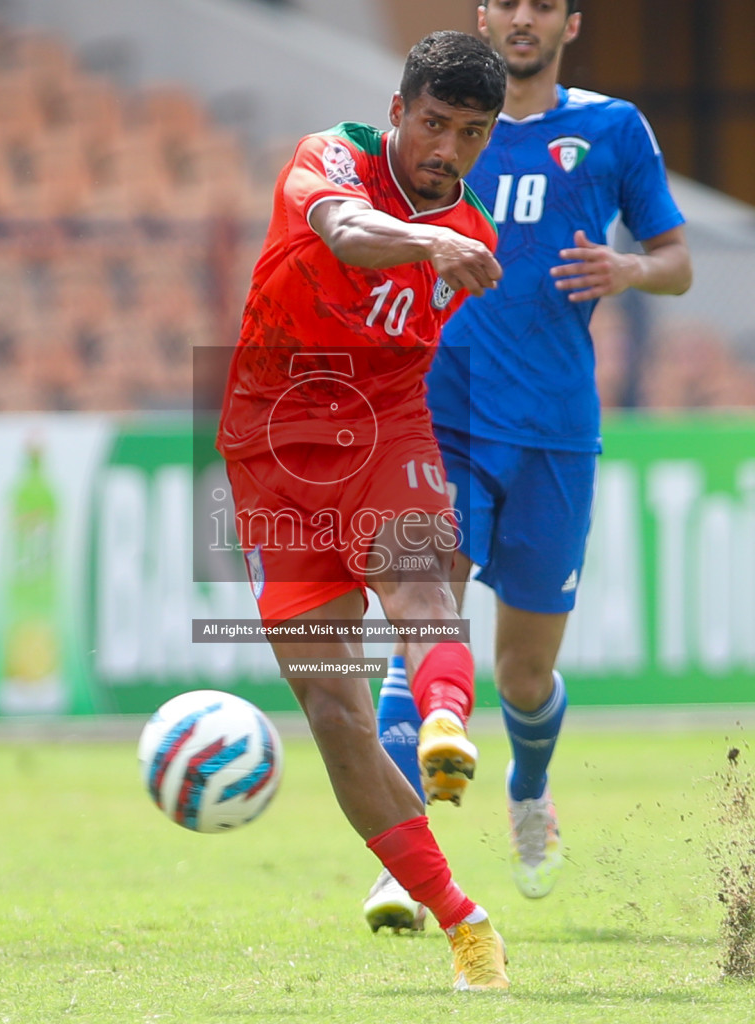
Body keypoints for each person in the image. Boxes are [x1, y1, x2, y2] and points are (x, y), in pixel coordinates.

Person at [363, 0, 693, 932]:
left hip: (554, 429)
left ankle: (530, 788)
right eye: (506, 2)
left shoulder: (611, 129)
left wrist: (629, 271)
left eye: (541, 5)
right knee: (424, 628)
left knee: (520, 677)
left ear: (569, 23)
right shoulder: (437, 131)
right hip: (444, 421)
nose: (521, 18)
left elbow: (677, 261)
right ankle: (403, 866)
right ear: (482, 15)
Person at [214, 31, 512, 991]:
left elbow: (396, 345)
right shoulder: (327, 157)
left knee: (424, 581)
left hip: (383, 426)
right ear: (398, 111)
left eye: (471, 134)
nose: (447, 150)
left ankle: (445, 719)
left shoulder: (475, 234)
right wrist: (431, 238)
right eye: (433, 124)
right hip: (274, 449)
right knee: (336, 711)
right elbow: (344, 233)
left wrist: (443, 237)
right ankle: (462, 918)